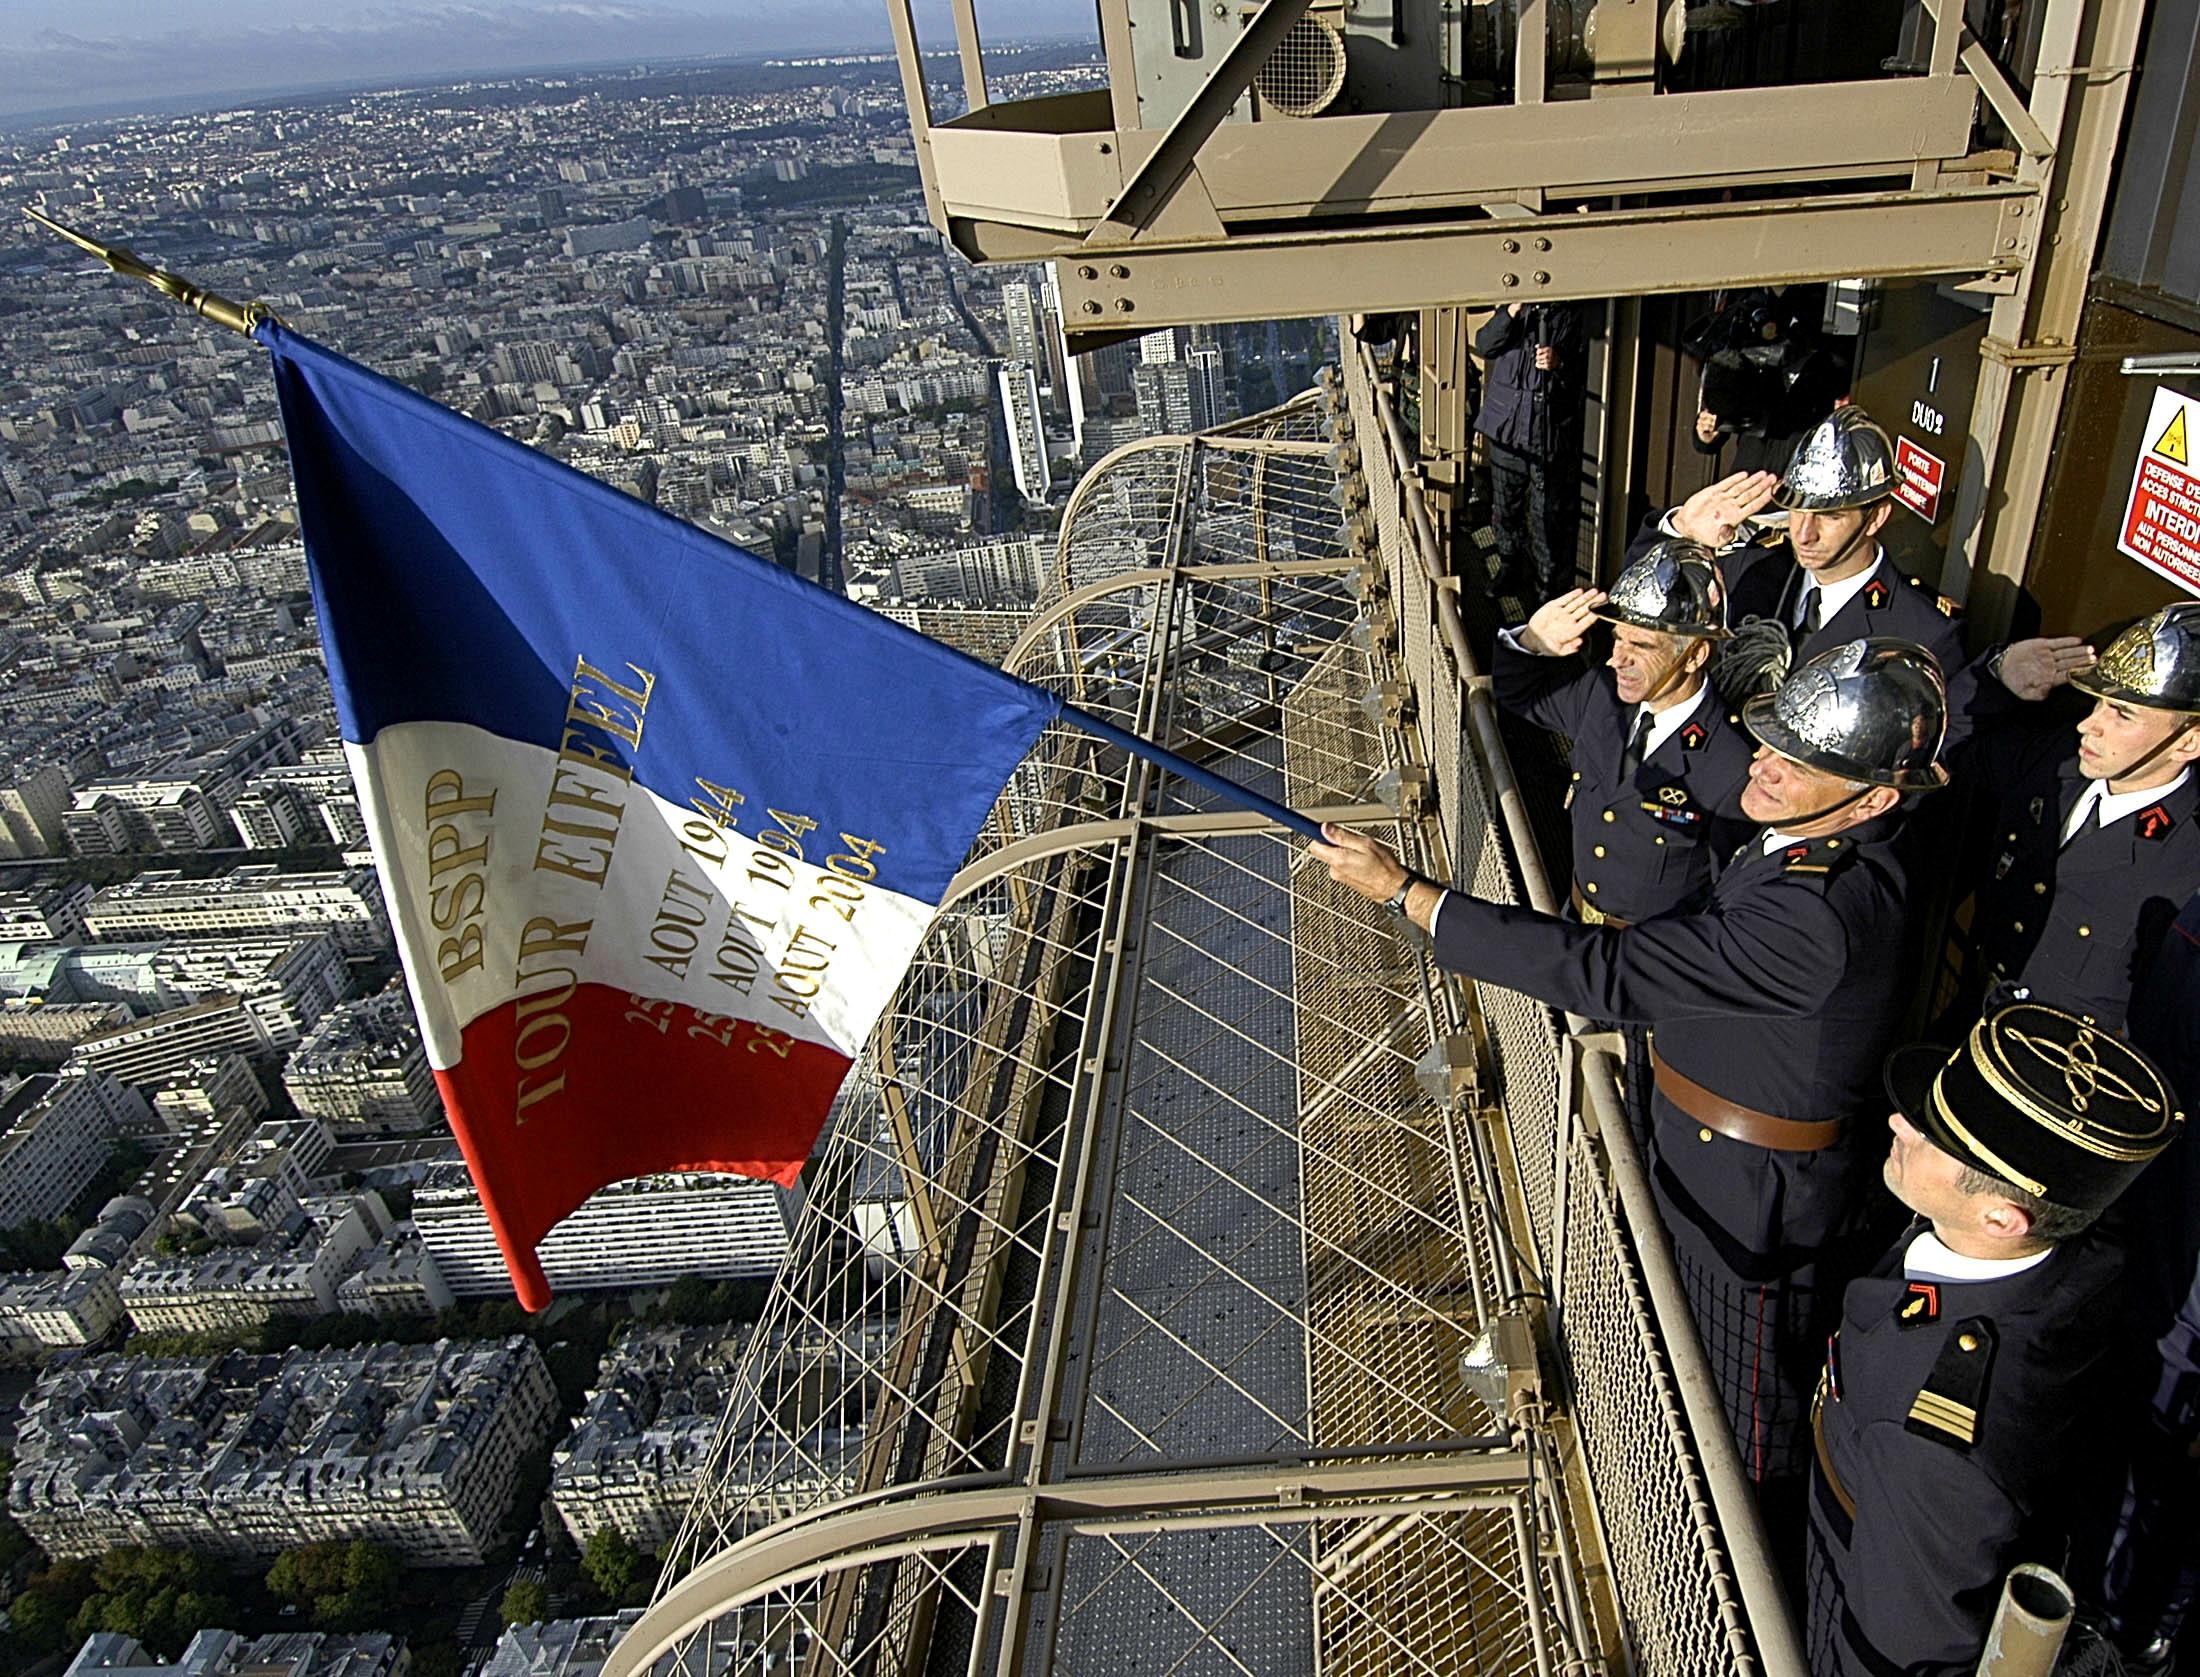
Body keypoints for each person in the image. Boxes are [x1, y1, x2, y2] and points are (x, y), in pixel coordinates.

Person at [1312, 637, 1948, 1520]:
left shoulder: (1821, 911)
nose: (1760, 761)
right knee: (1685, 1360)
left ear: (1873, 798)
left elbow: (1611, 971)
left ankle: (1744, 1571)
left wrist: (1411, 896)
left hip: (1752, 1201)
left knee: (1741, 1412)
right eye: (1769, 740)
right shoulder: (1795, 847)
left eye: (1798, 760)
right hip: (1697, 1144)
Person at [1808, 1003, 2183, 1677]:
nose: (1899, 1121)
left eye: (1931, 1137)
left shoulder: (1938, 1438)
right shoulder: (2069, 1255)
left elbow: (1898, 1652)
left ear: (2000, 1216)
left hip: (1857, 1569)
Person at [1949, 602, 2200, 1036]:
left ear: (2187, 743)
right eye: (2097, 702)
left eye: (2122, 714)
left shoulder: (2187, 862)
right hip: (1970, 1025)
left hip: (2066, 1083)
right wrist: (1996, 672)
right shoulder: (2057, 760)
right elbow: (1948, 745)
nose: (2089, 725)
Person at [1493, 540, 1754, 929]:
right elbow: (1523, 696)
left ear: (1695, 655)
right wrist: (1533, 640)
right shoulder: (1602, 695)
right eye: (1618, 639)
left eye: (1641, 646)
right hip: (1577, 925)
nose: (1618, 658)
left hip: (1651, 961)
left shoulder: (1731, 764)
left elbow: (1734, 894)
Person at [1642, 406, 1967, 708]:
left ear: (1876, 518)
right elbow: (1637, 616)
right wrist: (1678, 529)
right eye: (1797, 509)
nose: (1804, 533)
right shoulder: (1752, 567)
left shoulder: (1922, 633)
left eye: (1831, 516)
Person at [1474, 300, 1588, 600]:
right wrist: (1511, 312)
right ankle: (1510, 566)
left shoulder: (1570, 314)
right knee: (1505, 506)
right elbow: (1486, 345)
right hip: (1507, 428)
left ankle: (1546, 588)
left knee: (1545, 514)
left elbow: (1579, 369)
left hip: (1546, 433)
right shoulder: (1513, 312)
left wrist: (1558, 362)